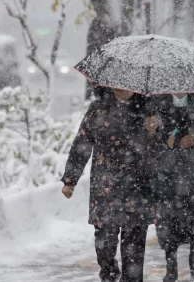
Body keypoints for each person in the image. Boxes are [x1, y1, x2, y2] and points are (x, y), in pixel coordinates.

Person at [61, 87, 152, 282]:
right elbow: (82, 143)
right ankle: (109, 274)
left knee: (134, 247)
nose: (123, 89)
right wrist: (70, 179)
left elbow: (162, 148)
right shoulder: (98, 109)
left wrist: (154, 131)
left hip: (137, 187)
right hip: (105, 187)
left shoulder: (147, 109)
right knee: (104, 245)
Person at [147, 94, 194, 282]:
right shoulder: (158, 104)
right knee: (168, 221)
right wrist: (163, 140)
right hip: (167, 174)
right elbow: (150, 134)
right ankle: (171, 264)